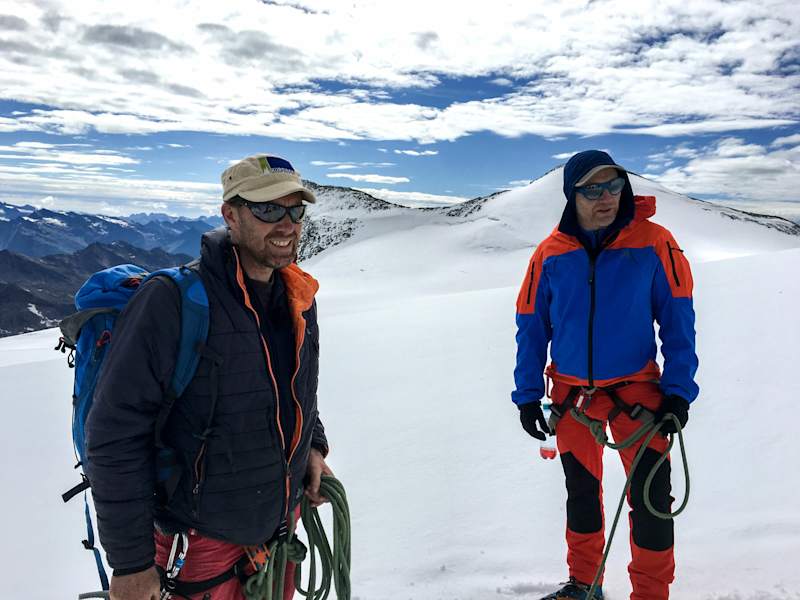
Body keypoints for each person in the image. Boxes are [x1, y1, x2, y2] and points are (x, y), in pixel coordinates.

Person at [85, 154, 332, 600]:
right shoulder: (172, 302)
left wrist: (312, 446)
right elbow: (114, 434)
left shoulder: (299, 298)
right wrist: (131, 564)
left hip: (275, 530)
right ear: (230, 215)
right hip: (197, 544)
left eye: (295, 210)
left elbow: (293, 391)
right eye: (268, 210)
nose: (286, 224)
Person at [512, 150, 698, 600]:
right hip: (573, 397)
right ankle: (585, 584)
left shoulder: (656, 243)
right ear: (571, 194)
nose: (606, 198)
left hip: (640, 395)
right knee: (582, 495)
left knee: (652, 504)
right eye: (592, 188)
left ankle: (651, 594)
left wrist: (678, 392)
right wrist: (527, 394)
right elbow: (532, 324)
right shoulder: (551, 252)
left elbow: (678, 321)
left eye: (613, 185)